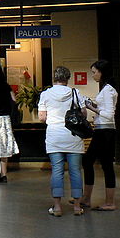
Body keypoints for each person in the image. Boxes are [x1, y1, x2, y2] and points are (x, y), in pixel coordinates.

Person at [39, 66, 85, 216]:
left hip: (54, 137)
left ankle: (57, 207)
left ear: (54, 77)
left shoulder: (45, 94)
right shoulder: (75, 93)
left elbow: (42, 117)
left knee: (57, 171)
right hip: (73, 136)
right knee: (75, 171)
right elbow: (83, 113)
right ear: (67, 78)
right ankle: (77, 207)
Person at [80, 60, 118, 211]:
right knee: (90, 161)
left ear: (102, 72)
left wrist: (91, 108)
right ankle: (87, 198)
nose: (93, 75)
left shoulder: (108, 90)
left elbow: (108, 114)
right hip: (103, 130)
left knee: (104, 164)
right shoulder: (106, 89)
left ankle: (109, 202)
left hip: (105, 131)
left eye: (94, 72)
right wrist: (93, 105)